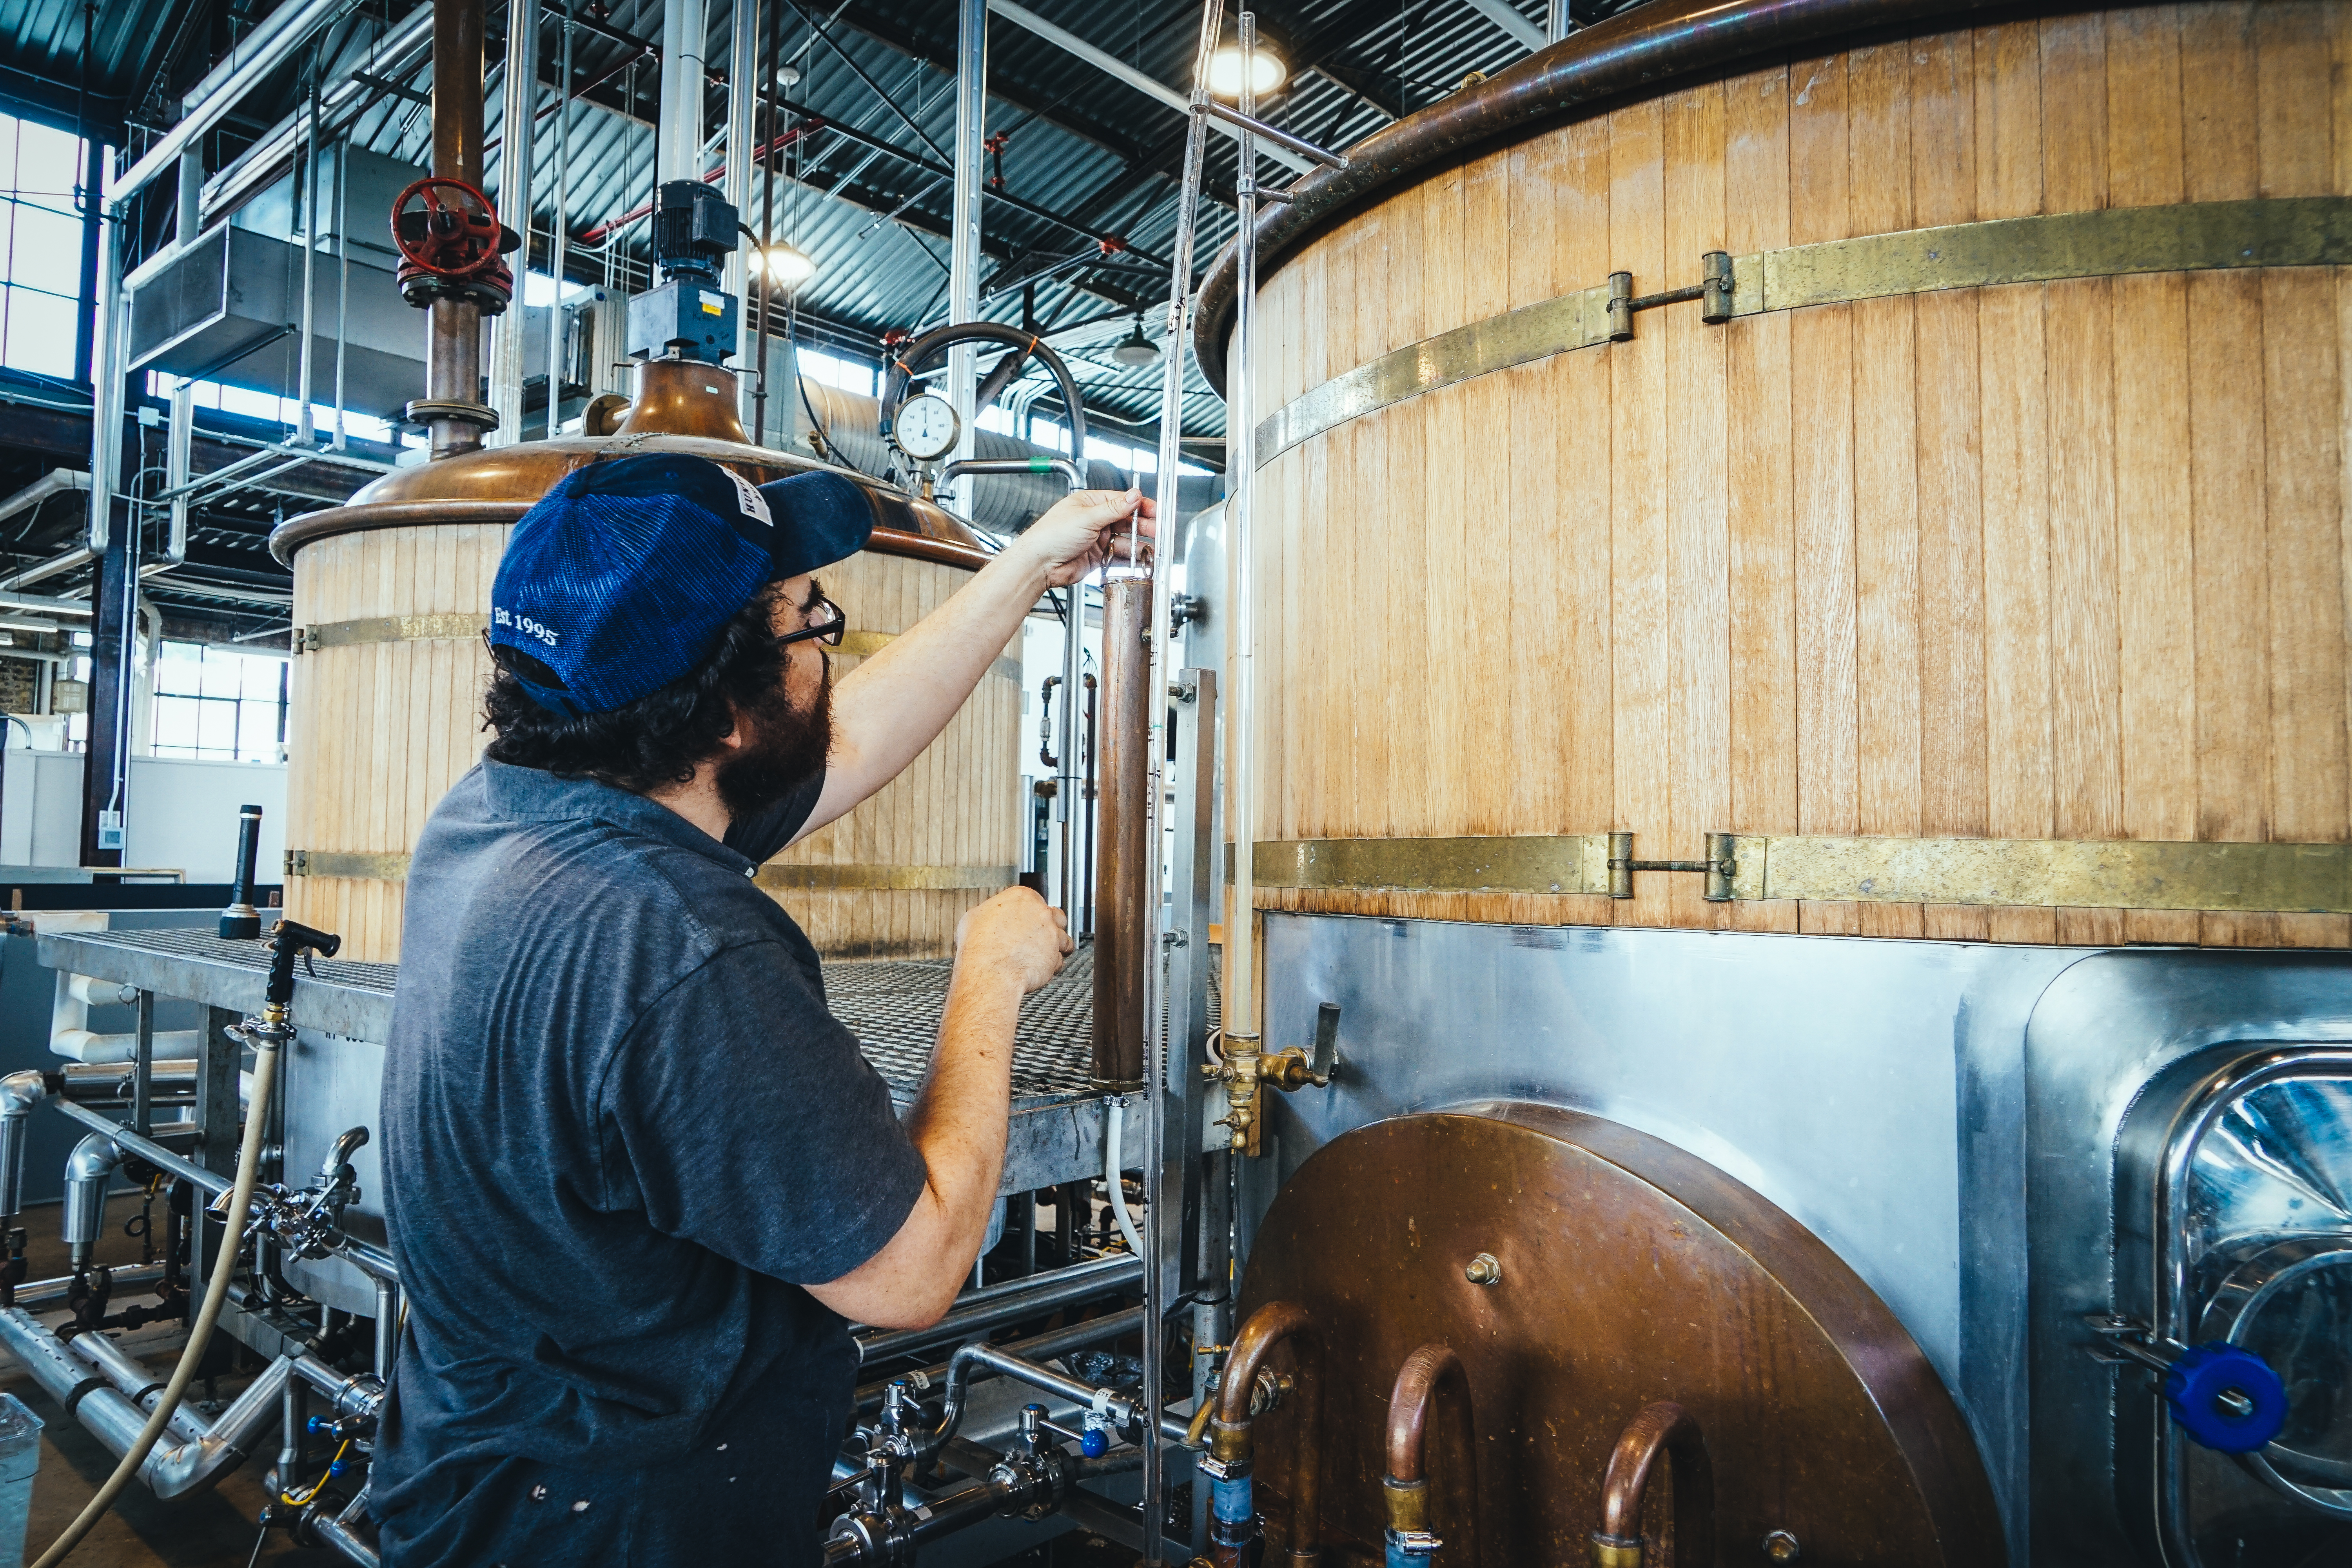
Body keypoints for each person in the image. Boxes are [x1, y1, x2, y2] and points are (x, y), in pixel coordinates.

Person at [371, 452, 1151, 1566]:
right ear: (730, 715)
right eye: (809, 622)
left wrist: (1024, 566)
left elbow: (844, 745)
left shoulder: (506, 809)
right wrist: (988, 969)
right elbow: (914, 1269)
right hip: (620, 1525)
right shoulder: (681, 945)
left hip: (479, 1465)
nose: (829, 642)